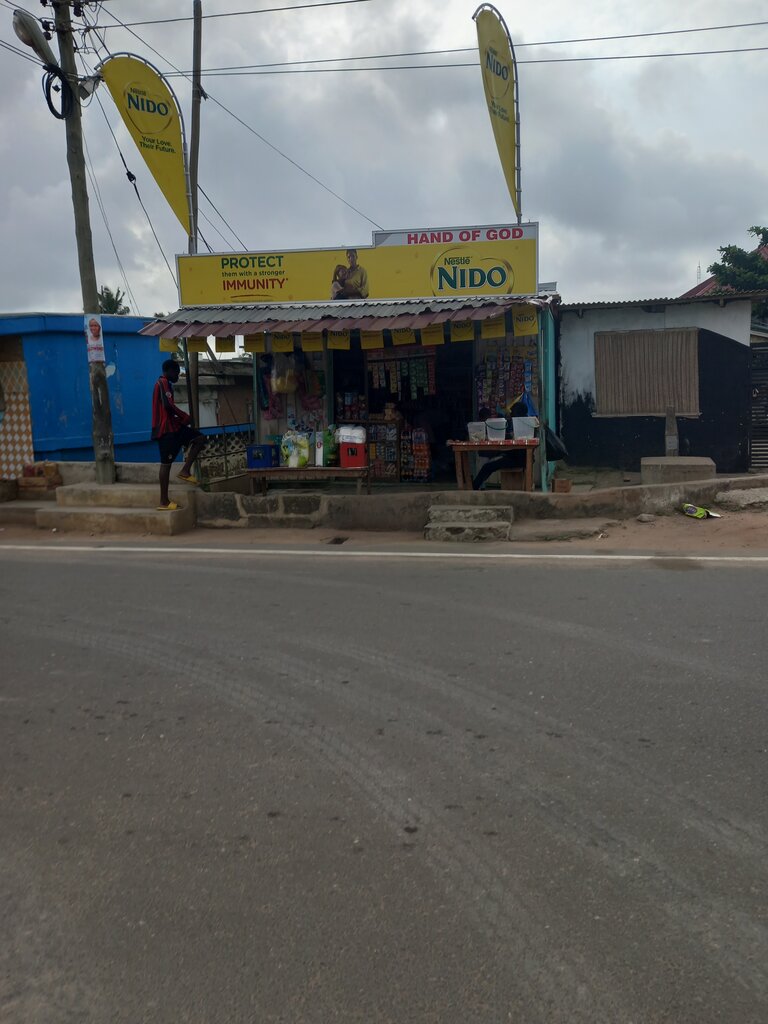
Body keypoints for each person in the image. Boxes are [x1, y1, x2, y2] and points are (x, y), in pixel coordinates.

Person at [151, 359, 206, 510]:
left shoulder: (164, 384)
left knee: (199, 438)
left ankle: (185, 470)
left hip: (173, 428)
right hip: (167, 430)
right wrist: (183, 416)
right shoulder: (163, 383)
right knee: (166, 464)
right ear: (169, 371)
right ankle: (164, 501)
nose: (178, 375)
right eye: (176, 372)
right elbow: (168, 405)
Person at [472, 404, 528, 491]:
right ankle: (475, 486)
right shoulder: (524, 423)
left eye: (512, 412)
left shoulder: (520, 424)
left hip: (518, 459)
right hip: (517, 456)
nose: (511, 414)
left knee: (487, 467)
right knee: (489, 465)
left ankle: (473, 487)